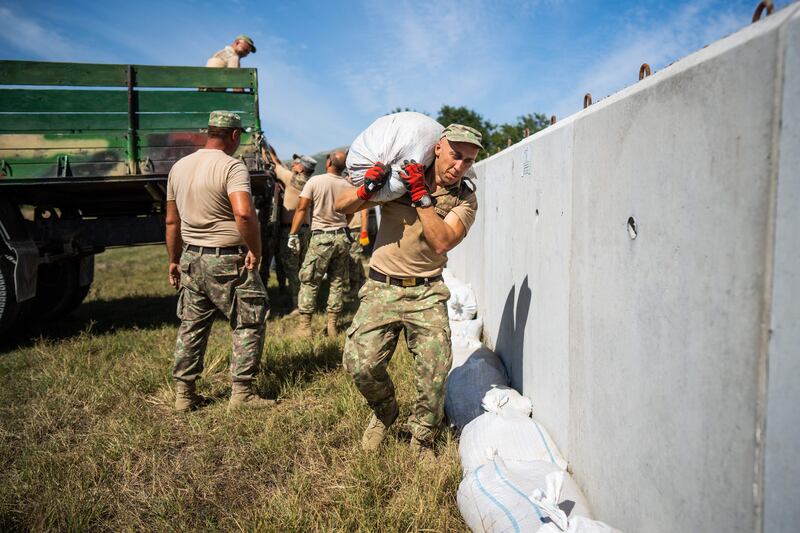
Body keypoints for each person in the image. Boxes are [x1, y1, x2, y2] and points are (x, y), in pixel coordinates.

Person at [335, 124, 483, 457]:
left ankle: (421, 440)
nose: (459, 167)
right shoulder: (401, 178)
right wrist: (368, 187)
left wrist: (422, 198)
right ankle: (384, 412)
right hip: (382, 286)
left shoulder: (465, 198)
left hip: (427, 291)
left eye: (468, 161)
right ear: (438, 149)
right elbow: (341, 207)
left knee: (434, 370)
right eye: (456, 156)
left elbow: (443, 240)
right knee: (360, 364)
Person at [166, 110, 273, 412]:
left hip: (191, 257)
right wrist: (255, 248)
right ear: (235, 135)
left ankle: (184, 394)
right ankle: (242, 394)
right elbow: (243, 213)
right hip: (227, 260)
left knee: (192, 324)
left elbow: (172, 222)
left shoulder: (179, 167)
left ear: (209, 132)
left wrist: (174, 260)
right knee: (249, 319)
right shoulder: (232, 167)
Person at [288, 151, 351, 337]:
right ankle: (332, 325)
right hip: (342, 236)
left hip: (321, 237)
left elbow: (301, 208)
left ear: (329, 162)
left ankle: (304, 328)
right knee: (337, 281)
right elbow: (351, 211)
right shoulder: (348, 185)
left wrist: (292, 234)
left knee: (309, 281)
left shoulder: (315, 181)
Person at [275, 153, 316, 313]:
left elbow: (275, 164)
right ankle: (307, 300)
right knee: (303, 266)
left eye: (296, 163)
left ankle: (297, 304)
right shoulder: (310, 182)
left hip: (291, 230)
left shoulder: (292, 179)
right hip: (306, 229)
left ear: (301, 168)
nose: (293, 164)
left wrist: (266, 148)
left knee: (291, 268)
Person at [345, 206, 370, 302]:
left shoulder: (358, 191)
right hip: (352, 229)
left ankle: (355, 289)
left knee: (354, 260)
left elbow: (365, 214)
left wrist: (364, 232)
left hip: (354, 230)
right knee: (356, 260)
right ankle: (361, 285)